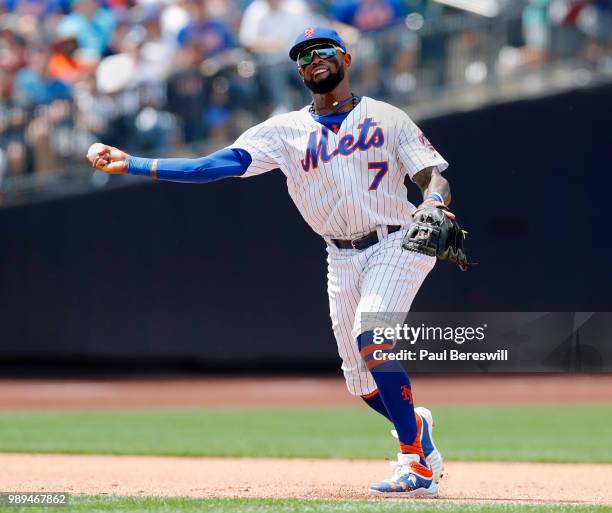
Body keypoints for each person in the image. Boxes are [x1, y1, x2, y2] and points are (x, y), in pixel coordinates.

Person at [87, 26, 454, 498]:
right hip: (339, 254)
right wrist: (136, 163)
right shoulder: (283, 131)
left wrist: (434, 203)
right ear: (299, 71)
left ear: (344, 57)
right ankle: (416, 429)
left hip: (396, 240)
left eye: (321, 50)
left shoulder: (386, 117)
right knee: (359, 380)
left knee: (372, 337)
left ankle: (416, 465)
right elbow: (212, 167)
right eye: (302, 56)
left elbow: (433, 176)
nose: (312, 59)